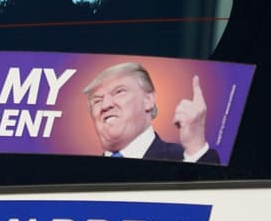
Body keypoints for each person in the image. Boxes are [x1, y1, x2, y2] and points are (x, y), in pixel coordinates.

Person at [82, 61, 220, 164]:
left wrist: (195, 146)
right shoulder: (81, 172)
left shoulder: (186, 157)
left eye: (119, 92)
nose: (105, 105)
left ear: (148, 100)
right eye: (97, 100)